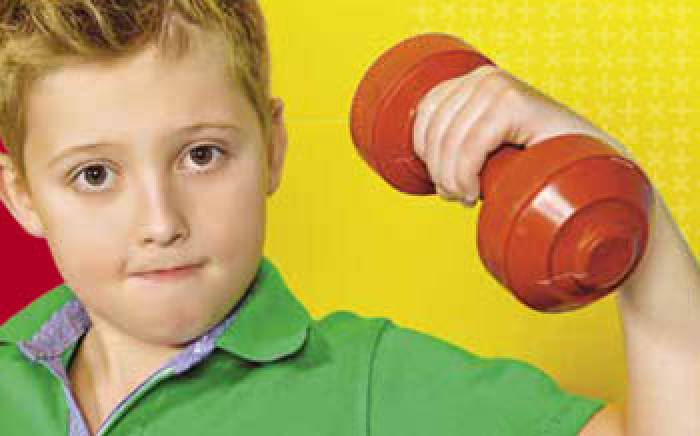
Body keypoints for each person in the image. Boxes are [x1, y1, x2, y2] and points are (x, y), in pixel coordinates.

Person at [0, 1, 696, 435]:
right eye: (95, 174)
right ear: (22, 194)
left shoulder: (370, 383)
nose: (161, 222)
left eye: (202, 155)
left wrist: (629, 208)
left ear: (272, 148)